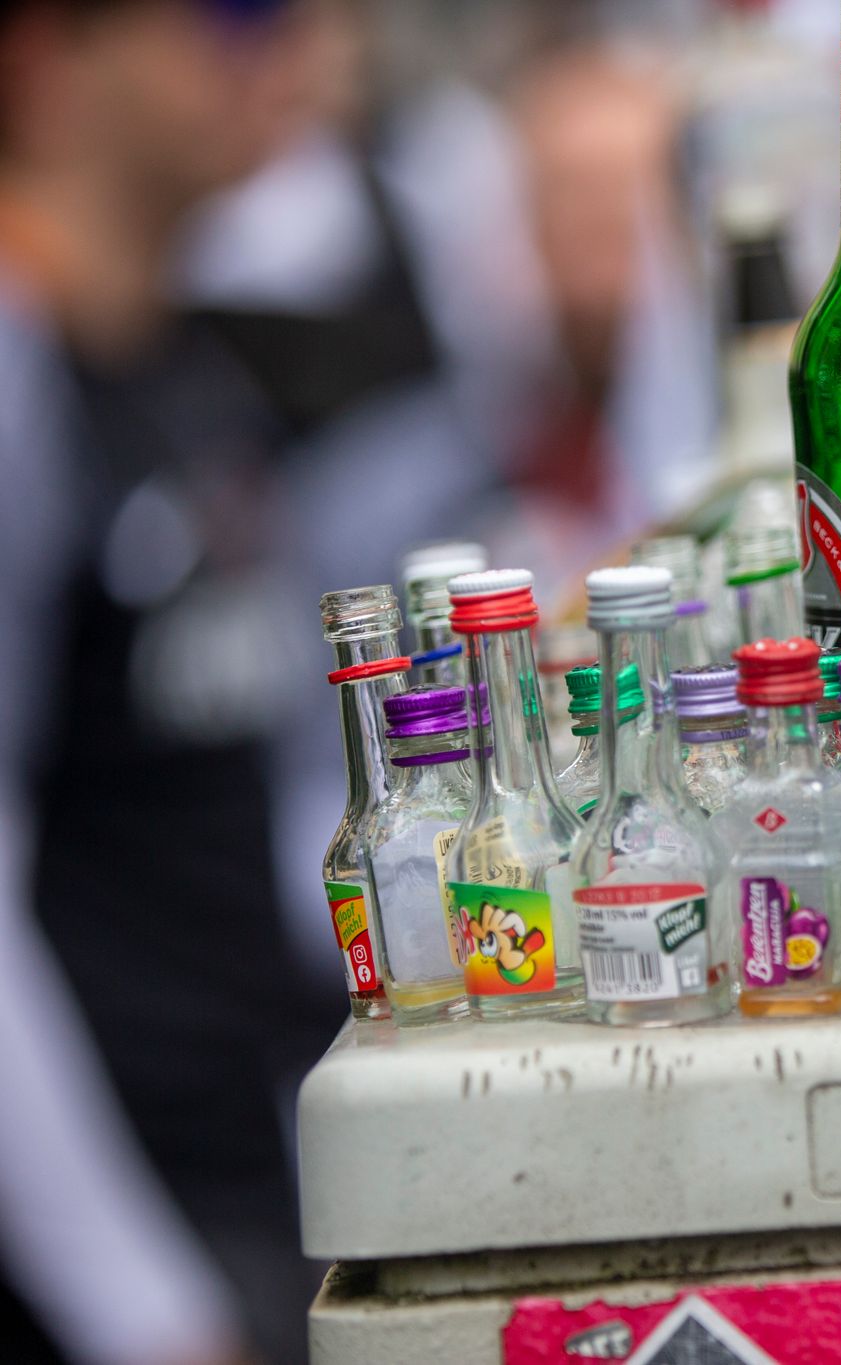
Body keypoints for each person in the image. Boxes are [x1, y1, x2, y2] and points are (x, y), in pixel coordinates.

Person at [0, 2, 333, 1360]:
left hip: (253, 1175)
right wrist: (138, 1306)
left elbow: (256, 809)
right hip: (119, 1242)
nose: (286, 47)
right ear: (51, 58)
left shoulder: (190, 364)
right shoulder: (23, 370)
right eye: (230, 14)